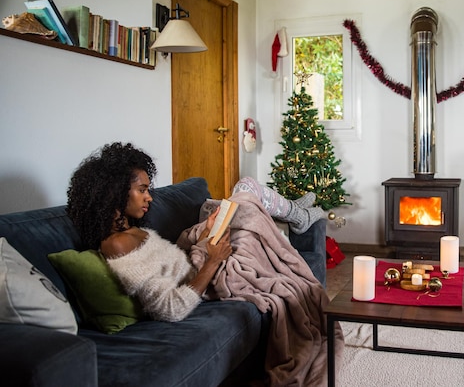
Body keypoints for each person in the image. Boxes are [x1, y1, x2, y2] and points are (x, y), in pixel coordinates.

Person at [66, 142, 341, 386]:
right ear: (116, 193)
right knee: (245, 198)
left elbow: (175, 263)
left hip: (202, 260)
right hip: (211, 275)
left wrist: (207, 235)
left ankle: (296, 213)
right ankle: (297, 215)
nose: (149, 196)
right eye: (142, 190)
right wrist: (213, 260)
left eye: (147, 189)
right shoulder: (117, 244)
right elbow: (170, 308)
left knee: (240, 204)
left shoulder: (135, 232)